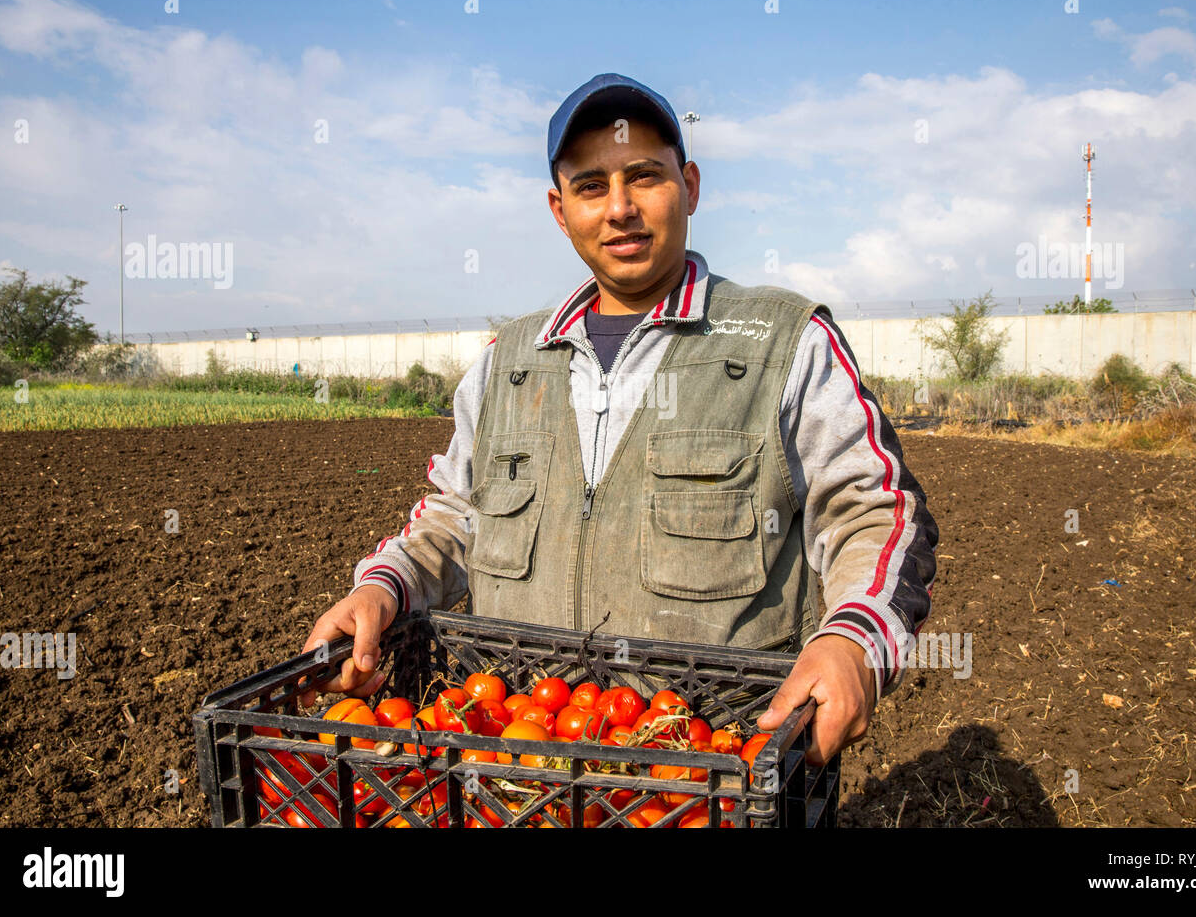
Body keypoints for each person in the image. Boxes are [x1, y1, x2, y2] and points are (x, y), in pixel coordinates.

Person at [300, 73, 938, 763]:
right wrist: (382, 585)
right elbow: (457, 517)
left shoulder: (784, 343)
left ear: (689, 186)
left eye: (645, 177)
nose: (620, 209)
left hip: (710, 769)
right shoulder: (506, 362)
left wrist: (851, 642)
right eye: (591, 186)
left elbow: (873, 509)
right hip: (517, 761)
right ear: (559, 207)